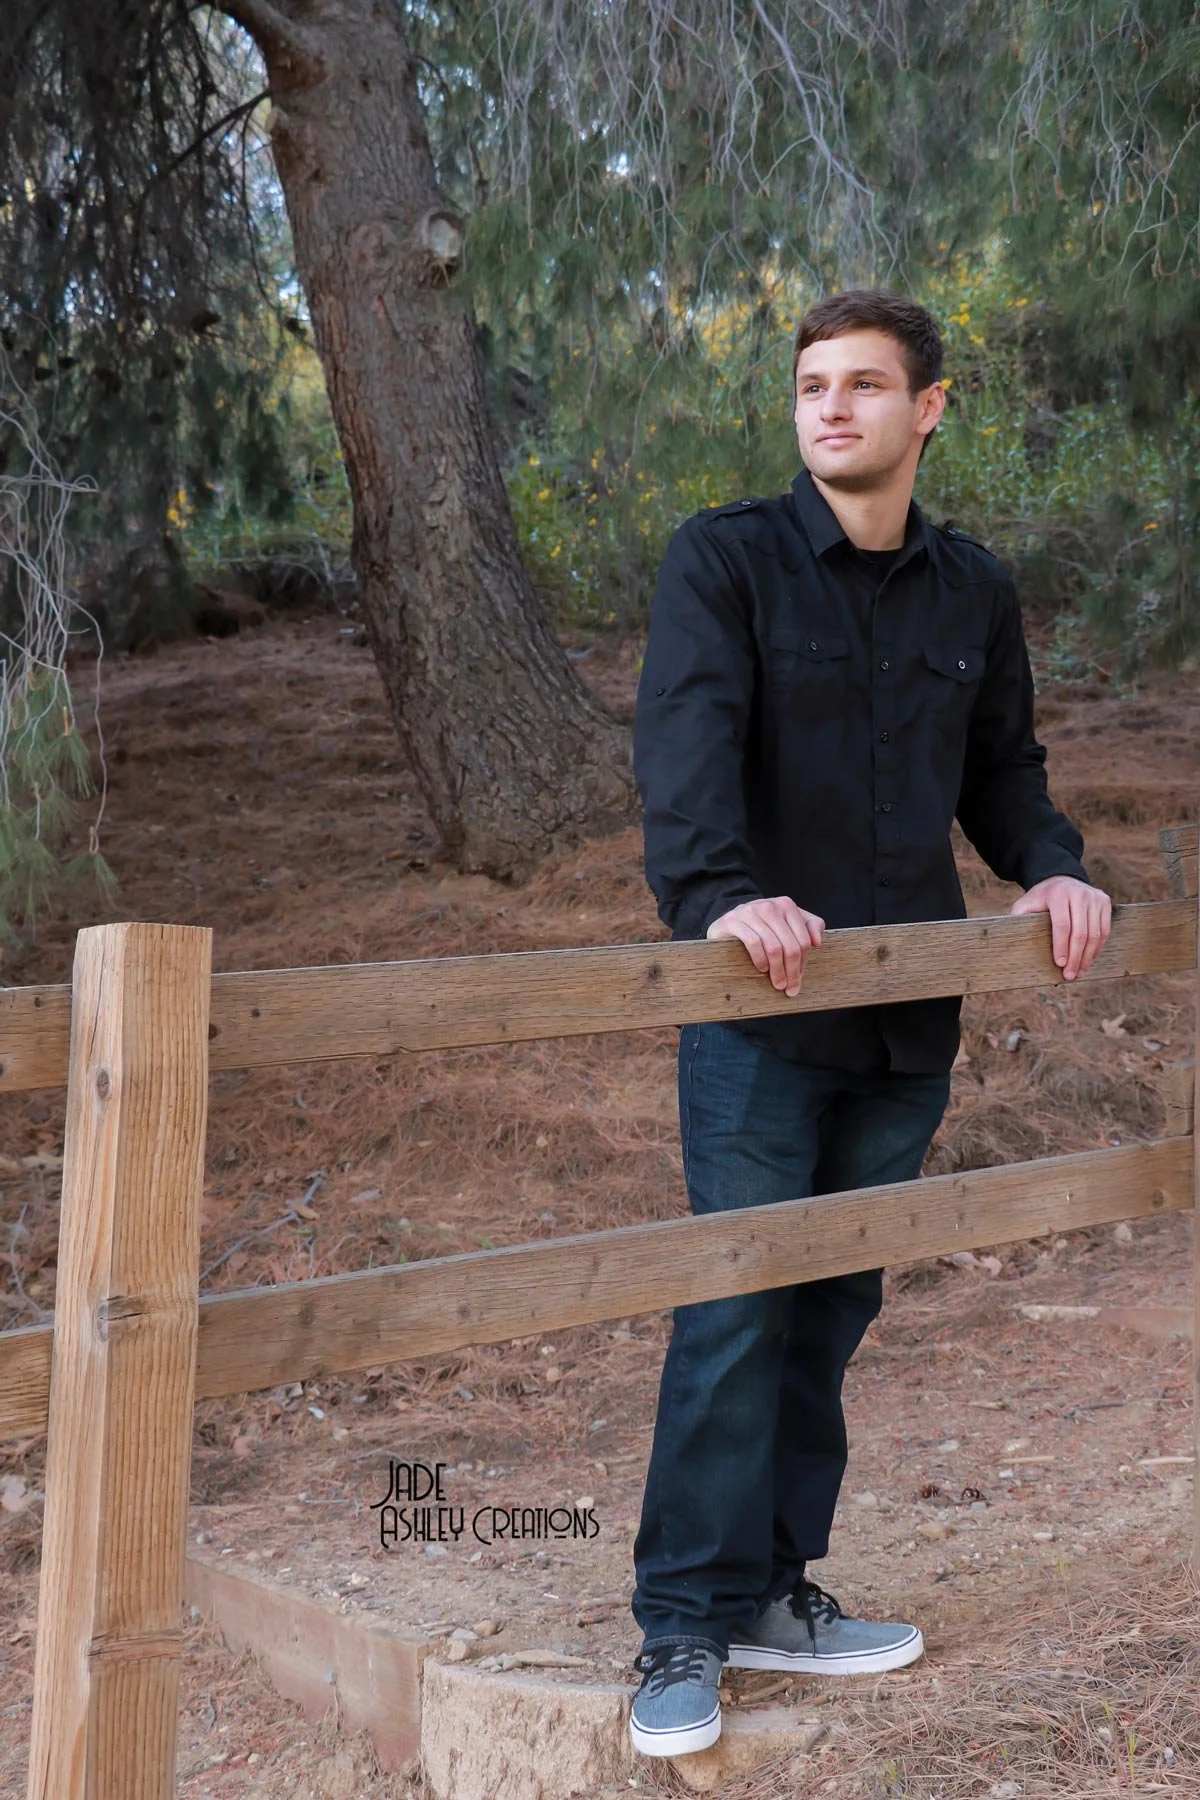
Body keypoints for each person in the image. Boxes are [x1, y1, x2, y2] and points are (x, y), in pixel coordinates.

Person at [627, 289, 1112, 1760]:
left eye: (862, 385)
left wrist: (1053, 864)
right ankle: (682, 1630)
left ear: (930, 409)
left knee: (833, 1312)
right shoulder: (727, 562)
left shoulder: (972, 591)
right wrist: (723, 896)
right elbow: (684, 745)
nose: (830, 407)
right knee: (735, 1315)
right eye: (810, 386)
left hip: (911, 1024)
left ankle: (776, 1593)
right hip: (761, 1016)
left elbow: (1003, 770)